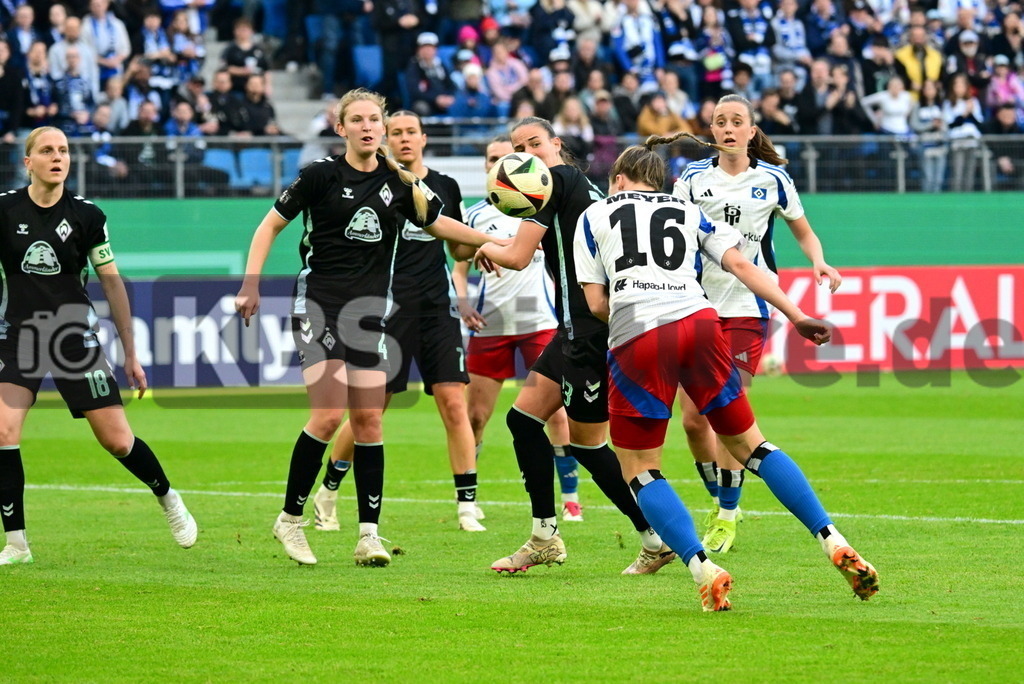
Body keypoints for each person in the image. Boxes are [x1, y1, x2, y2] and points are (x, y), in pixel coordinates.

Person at [573, 135, 879, 611]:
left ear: (617, 180)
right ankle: (832, 538)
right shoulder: (687, 211)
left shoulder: (594, 215)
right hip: (700, 321)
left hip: (638, 333)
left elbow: (595, 304)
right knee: (751, 445)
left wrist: (639, 309)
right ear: (662, 185)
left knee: (639, 468)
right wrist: (796, 315)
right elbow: (740, 263)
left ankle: (703, 568)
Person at [234, 90, 498, 567]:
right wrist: (250, 284)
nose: (367, 127)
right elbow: (267, 227)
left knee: (370, 420)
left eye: (374, 119)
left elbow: (441, 226)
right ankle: (290, 521)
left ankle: (369, 536)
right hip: (317, 306)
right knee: (329, 416)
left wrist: (495, 243)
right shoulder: (319, 175)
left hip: (370, 316)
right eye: (357, 120)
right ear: (342, 129)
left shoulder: (399, 184)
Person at [474, 117, 674, 575]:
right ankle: (545, 535)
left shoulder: (557, 181)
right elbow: (534, 248)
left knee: (587, 444)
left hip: (588, 335)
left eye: (534, 143)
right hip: (575, 331)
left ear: (556, 145)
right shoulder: (578, 185)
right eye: (517, 148)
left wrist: (452, 230)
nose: (526, 154)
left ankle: (654, 537)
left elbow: (517, 255)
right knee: (523, 421)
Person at [0, 126, 198, 566]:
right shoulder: (4, 210)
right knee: (3, 431)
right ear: (27, 161)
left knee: (116, 440)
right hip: (18, 339)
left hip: (75, 340)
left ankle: (168, 497)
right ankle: (16, 543)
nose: (58, 157)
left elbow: (112, 286)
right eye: (47, 151)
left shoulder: (88, 216)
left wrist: (130, 353)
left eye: (64, 151)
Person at [671, 94, 842, 554]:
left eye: (737, 122)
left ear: (751, 131)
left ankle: (726, 513)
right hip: (696, 304)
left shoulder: (773, 180)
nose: (728, 128)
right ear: (712, 130)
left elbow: (802, 230)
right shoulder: (690, 180)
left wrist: (819, 262)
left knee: (730, 410)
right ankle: (722, 496)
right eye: (719, 121)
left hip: (748, 306)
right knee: (691, 420)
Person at [309, 110, 489, 537]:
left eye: (411, 132)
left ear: (424, 138)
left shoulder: (444, 186)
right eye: (396, 133)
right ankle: (328, 491)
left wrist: (474, 249)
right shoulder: (383, 186)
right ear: (385, 139)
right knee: (372, 411)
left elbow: (457, 248)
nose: (405, 139)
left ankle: (467, 506)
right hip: (387, 310)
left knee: (453, 402)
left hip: (436, 309)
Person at [452, 136, 583, 522]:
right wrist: (461, 300)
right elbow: (459, 262)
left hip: (538, 321)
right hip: (490, 323)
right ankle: (468, 500)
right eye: (492, 159)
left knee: (556, 415)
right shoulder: (476, 214)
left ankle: (571, 497)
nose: (499, 163)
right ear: (486, 168)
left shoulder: (542, 204)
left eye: (506, 157)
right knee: (475, 415)